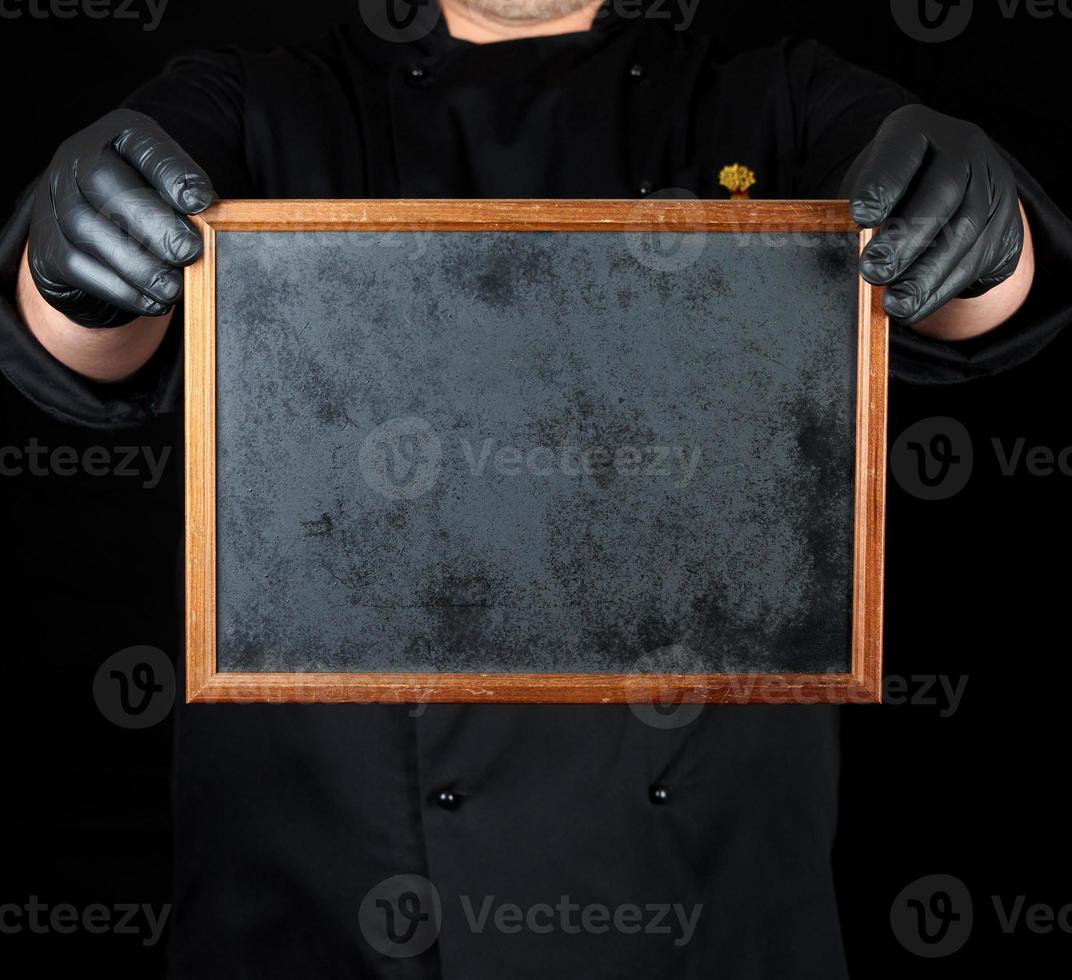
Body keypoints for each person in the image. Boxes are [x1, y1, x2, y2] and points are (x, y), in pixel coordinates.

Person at [2, 0, 1070, 976]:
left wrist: (978, 233)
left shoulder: (773, 100)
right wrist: (79, 261)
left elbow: (979, 307)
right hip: (323, 900)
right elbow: (83, 350)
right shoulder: (255, 101)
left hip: (703, 905)